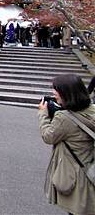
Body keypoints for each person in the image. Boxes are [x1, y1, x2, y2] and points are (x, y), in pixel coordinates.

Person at [38, 74, 95, 215]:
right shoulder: (92, 109)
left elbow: (48, 136)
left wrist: (43, 114)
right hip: (91, 168)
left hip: (76, 175)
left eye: (56, 91)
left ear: (67, 94)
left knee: (77, 209)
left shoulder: (64, 118)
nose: (53, 93)